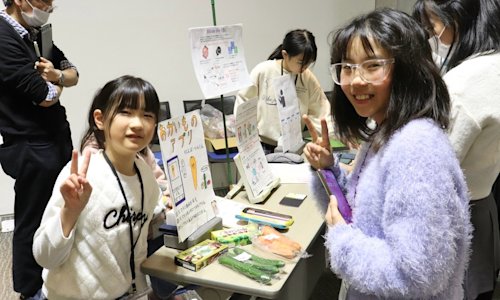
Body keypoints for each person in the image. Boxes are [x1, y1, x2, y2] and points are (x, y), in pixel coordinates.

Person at [303, 8, 472, 299]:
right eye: (347, 66)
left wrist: (342, 241)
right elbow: (362, 210)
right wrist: (328, 170)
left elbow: (417, 275)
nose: (355, 80)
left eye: (372, 65)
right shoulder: (384, 130)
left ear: (407, 69)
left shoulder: (415, 146)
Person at [32, 75, 161, 299]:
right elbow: (44, 256)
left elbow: (137, 247)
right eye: (126, 112)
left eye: (147, 115)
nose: (138, 123)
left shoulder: (146, 177)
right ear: (100, 119)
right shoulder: (81, 176)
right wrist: (69, 212)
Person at [413, 1, 500, 299]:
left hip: (450, 218)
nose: (432, 36)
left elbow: (432, 172)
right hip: (484, 204)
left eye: (433, 27)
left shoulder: (464, 83)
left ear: (457, 19)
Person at [0, 0, 79, 298]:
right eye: (43, 0)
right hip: (30, 145)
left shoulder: (34, 31)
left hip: (55, 138)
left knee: (60, 212)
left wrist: (58, 77)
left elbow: (73, 72)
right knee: (31, 220)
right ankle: (30, 290)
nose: (50, 6)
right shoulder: (3, 37)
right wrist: (58, 82)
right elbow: (44, 96)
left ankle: (56, 275)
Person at [234, 29, 332, 151]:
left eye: (308, 63)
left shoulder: (307, 78)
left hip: (293, 145)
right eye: (301, 62)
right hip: (262, 145)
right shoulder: (263, 71)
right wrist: (246, 140)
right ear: (285, 55)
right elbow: (244, 103)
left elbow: (321, 111)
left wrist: (334, 135)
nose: (304, 67)